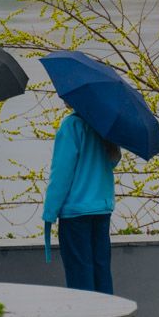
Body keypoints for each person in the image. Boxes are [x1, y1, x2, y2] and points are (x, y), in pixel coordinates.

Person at [43, 110, 121, 294]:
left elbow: (62, 173)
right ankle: (106, 316)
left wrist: (50, 212)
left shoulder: (72, 125)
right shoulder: (104, 125)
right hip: (101, 209)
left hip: (75, 212)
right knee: (101, 270)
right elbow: (113, 160)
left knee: (80, 273)